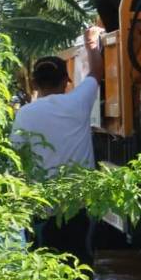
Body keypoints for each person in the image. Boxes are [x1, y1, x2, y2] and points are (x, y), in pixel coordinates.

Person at [11, 27, 105, 265]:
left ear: (34, 83)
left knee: (43, 268)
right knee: (79, 266)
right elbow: (96, 72)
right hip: (77, 205)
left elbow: (18, 158)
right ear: (66, 81)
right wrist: (91, 43)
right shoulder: (78, 102)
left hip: (41, 205)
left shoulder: (25, 114)